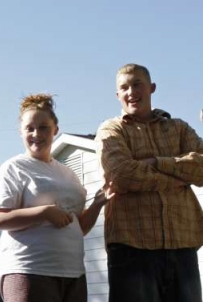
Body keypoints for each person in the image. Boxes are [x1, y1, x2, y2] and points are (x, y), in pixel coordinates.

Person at [0, 93, 114, 302]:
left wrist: (96, 205)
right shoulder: (14, 168)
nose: (36, 133)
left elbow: (78, 227)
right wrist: (44, 212)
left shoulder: (68, 174)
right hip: (29, 270)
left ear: (55, 129)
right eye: (29, 128)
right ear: (21, 132)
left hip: (72, 273)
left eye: (43, 127)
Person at [95, 63, 203, 302]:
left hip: (182, 244)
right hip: (132, 249)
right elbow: (121, 175)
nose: (131, 91)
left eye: (137, 84)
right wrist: (180, 176)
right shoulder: (111, 130)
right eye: (124, 87)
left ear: (151, 88)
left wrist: (156, 162)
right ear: (117, 95)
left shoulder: (179, 128)